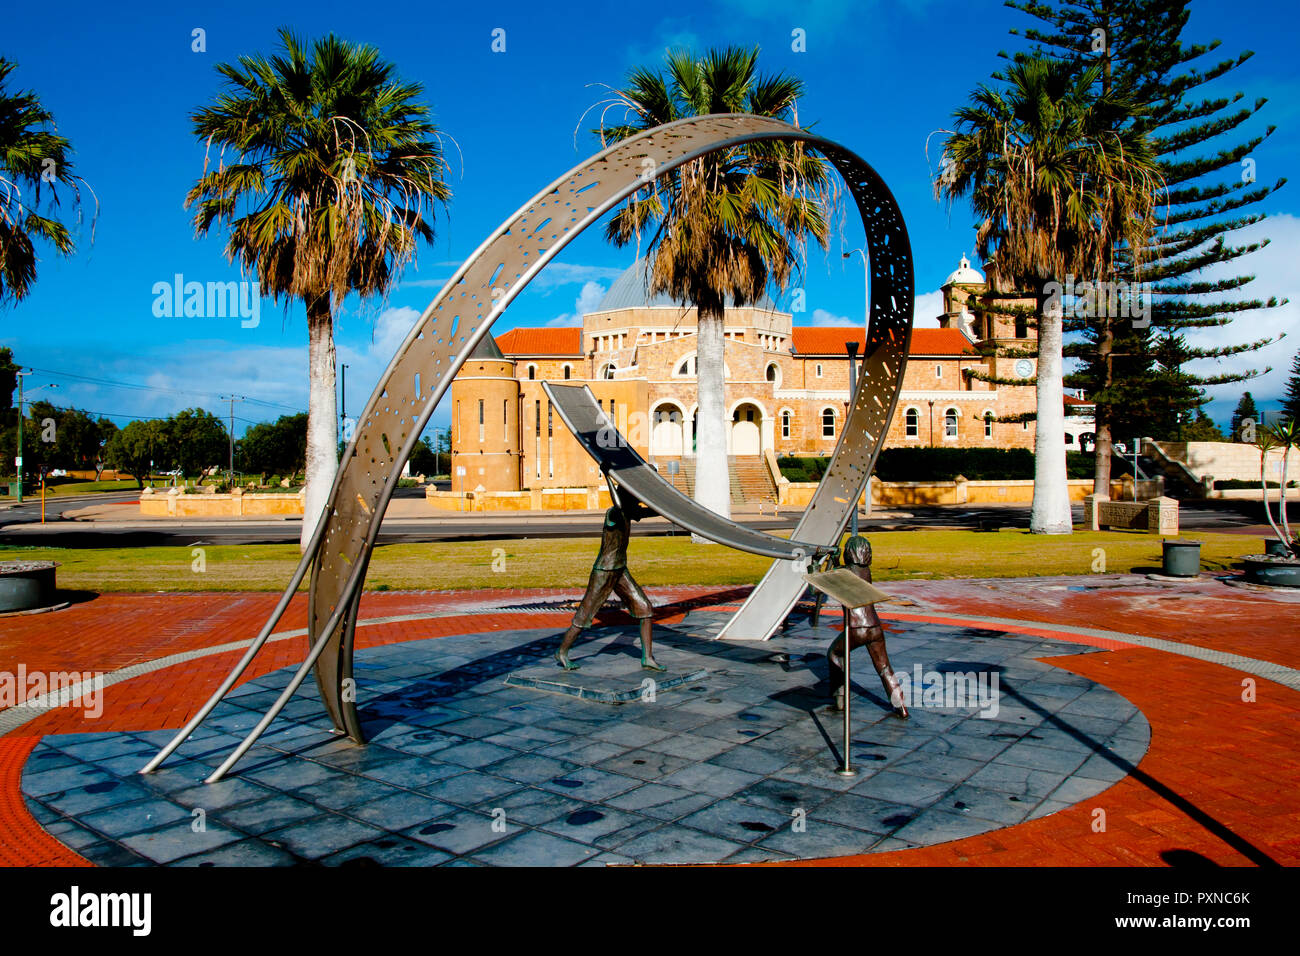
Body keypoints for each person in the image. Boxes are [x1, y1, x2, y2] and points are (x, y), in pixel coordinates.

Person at [556, 497, 663, 672]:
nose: (638, 502)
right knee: (584, 615)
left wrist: (664, 502)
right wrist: (607, 474)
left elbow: (653, 511)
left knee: (645, 609)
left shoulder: (629, 512)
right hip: (604, 572)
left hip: (620, 570)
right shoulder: (613, 513)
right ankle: (562, 652)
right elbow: (620, 503)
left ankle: (648, 658)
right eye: (634, 497)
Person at [826, 535, 908, 718]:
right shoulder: (865, 571)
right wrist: (834, 560)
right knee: (885, 667)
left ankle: (840, 699)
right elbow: (843, 571)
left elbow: (820, 586)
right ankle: (901, 707)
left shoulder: (844, 572)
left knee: (834, 654)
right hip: (875, 626)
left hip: (857, 628)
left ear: (849, 552)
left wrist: (826, 563)